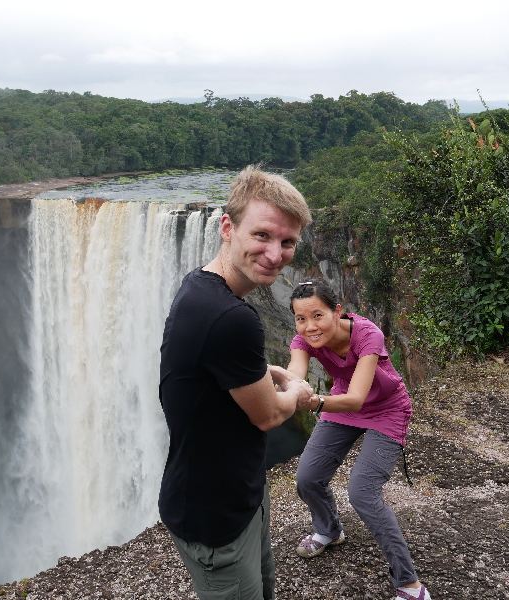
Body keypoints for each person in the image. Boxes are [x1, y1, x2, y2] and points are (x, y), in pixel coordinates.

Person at [158, 165, 315, 600]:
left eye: (288, 242)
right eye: (262, 235)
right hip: (215, 517)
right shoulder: (233, 318)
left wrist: (267, 372)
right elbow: (269, 416)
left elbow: (217, 366)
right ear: (227, 227)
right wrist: (296, 390)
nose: (276, 254)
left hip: (238, 494)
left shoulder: (199, 287)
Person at [284, 278, 433, 600]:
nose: (310, 326)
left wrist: (313, 401)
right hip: (341, 403)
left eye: (318, 315)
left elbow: (355, 399)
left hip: (386, 409)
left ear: (337, 311)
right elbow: (294, 375)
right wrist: (280, 386)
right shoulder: (303, 340)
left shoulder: (367, 335)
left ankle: (410, 585)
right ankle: (329, 530)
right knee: (308, 478)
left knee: (363, 493)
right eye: (301, 318)